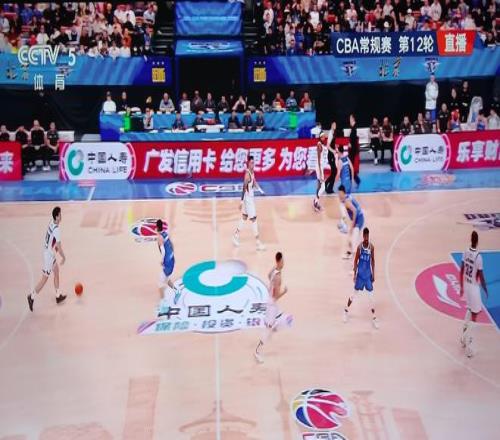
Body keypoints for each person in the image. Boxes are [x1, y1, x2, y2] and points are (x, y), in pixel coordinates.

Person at [254, 251, 292, 364]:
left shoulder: (274, 270)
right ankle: (257, 351)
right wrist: (284, 291)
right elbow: (276, 296)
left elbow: (268, 275)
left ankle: (272, 328)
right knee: (268, 329)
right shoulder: (278, 277)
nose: (284, 263)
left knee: (282, 319)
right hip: (271, 304)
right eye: (283, 261)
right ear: (279, 261)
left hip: (270, 302)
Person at [27, 207, 67, 312]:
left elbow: (51, 240)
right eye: (60, 214)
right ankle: (31, 296)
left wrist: (54, 249)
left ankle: (58, 296)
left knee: (56, 271)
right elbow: (59, 246)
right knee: (44, 279)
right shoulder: (57, 230)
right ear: (57, 216)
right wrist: (63, 257)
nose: (61, 216)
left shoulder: (51, 222)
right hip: (48, 256)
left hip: (49, 252)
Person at [343, 227, 379, 329]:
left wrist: (373, 274)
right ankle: (345, 311)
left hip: (367, 276)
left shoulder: (371, 247)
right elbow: (355, 261)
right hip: (360, 276)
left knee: (371, 298)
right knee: (353, 295)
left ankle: (374, 318)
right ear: (363, 236)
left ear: (368, 236)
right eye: (365, 236)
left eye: (368, 236)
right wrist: (355, 274)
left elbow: (373, 260)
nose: (366, 238)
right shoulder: (360, 247)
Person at [460, 231, 488, 358]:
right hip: (473, 287)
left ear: (471, 239)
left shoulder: (465, 251)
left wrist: (461, 286)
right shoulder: (478, 257)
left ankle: (463, 338)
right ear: (477, 241)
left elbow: (461, 270)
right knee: (475, 314)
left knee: (470, 309)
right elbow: (481, 276)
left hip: (466, 284)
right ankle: (469, 346)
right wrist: (485, 289)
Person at [232, 156, 265, 251]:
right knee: (254, 219)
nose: (253, 164)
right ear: (248, 163)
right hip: (248, 200)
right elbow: (243, 188)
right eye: (251, 163)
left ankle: (235, 236)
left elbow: (254, 182)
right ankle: (258, 243)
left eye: (253, 163)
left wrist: (260, 190)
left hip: (250, 198)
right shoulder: (247, 175)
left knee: (244, 217)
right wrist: (241, 201)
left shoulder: (252, 172)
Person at [155, 219, 181, 305]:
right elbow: (171, 245)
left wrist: (162, 260)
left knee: (160, 284)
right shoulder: (166, 234)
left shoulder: (159, 237)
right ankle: (177, 291)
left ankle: (163, 303)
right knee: (166, 279)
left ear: (156, 227)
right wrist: (171, 255)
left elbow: (163, 251)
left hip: (167, 263)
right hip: (171, 260)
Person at [338, 185, 365, 260]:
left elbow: (355, 211)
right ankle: (351, 252)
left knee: (353, 238)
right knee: (351, 237)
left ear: (343, 193)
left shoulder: (346, 202)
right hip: (359, 218)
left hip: (359, 219)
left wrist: (352, 226)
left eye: (340, 194)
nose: (339, 196)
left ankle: (354, 255)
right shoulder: (348, 197)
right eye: (338, 194)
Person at [313, 132, 328, 212]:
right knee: (323, 187)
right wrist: (321, 172)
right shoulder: (319, 145)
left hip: (320, 167)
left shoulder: (322, 144)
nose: (324, 138)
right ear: (320, 137)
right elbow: (319, 160)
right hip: (319, 167)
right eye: (322, 137)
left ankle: (316, 202)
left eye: (324, 137)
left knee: (319, 186)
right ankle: (316, 201)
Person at [325, 121, 338, 194]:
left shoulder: (333, 133)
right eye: (334, 125)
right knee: (334, 171)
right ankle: (328, 186)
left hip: (332, 154)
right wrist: (333, 151)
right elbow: (327, 146)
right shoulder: (330, 133)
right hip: (330, 155)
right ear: (332, 125)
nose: (335, 126)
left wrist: (335, 147)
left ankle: (329, 187)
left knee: (334, 171)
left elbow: (332, 144)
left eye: (335, 125)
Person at [348, 114, 361, 185]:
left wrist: (351, 144)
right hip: (352, 149)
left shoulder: (354, 128)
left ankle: (356, 179)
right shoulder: (353, 128)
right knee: (350, 165)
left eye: (350, 118)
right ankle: (354, 179)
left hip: (353, 149)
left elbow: (354, 138)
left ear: (353, 119)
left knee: (350, 165)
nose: (349, 120)